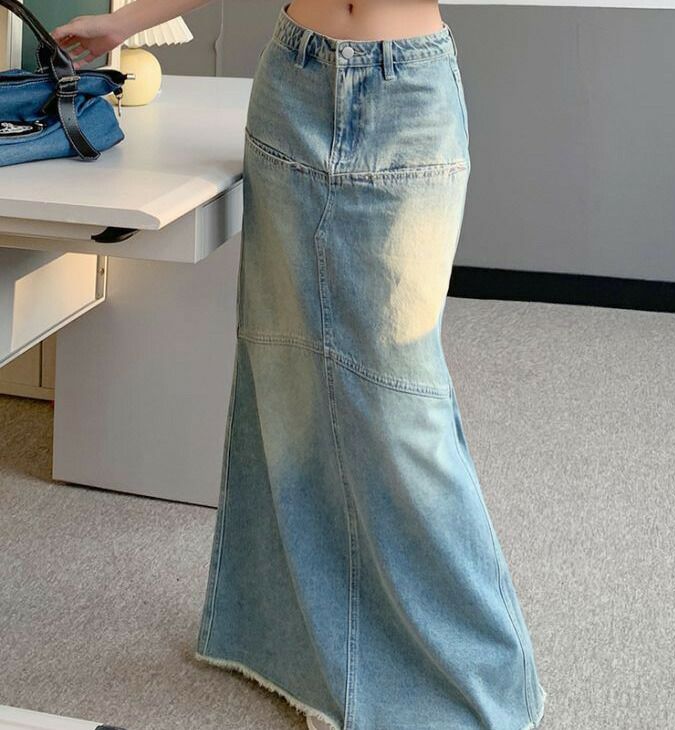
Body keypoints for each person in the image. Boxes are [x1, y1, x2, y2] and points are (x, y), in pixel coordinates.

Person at [51, 2, 547, 729]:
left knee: (402, 404)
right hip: (295, 80)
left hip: (407, 94)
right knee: (285, 372)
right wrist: (125, 23)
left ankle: (484, 683)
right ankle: (306, 657)